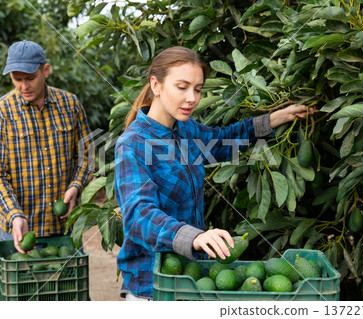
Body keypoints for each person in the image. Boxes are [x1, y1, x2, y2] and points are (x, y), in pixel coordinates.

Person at [114, 46, 316, 300]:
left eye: (197, 89)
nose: (192, 98)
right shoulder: (133, 143)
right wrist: (194, 236)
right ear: (156, 85)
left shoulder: (187, 131)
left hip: (192, 277)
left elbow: (225, 140)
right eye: (182, 87)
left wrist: (279, 117)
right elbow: (138, 215)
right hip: (151, 288)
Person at [0, 40, 94, 254]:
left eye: (30, 78)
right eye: (17, 79)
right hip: (19, 232)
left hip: (64, 230)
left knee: (67, 287)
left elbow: (87, 154)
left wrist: (76, 186)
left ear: (46, 70)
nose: (24, 86)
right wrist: (14, 214)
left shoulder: (70, 105)